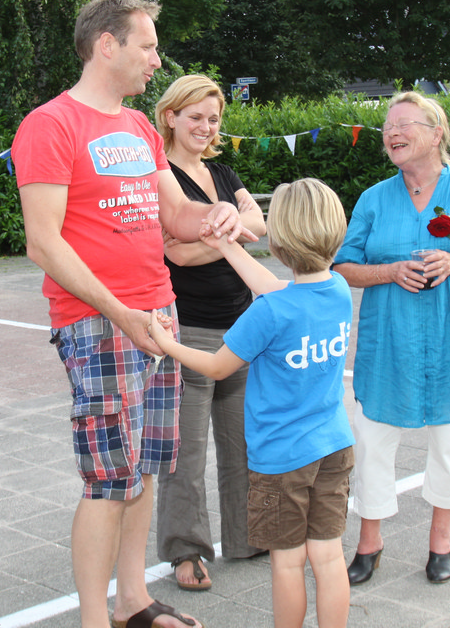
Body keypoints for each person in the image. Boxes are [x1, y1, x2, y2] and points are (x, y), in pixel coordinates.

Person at [11, 0, 253, 628]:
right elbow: (43, 241)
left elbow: (176, 214)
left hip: (160, 317)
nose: (156, 59)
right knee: (108, 479)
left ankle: (134, 602)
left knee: (145, 467)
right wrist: (121, 313)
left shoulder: (141, 127)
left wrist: (218, 215)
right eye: (147, 46)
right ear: (107, 45)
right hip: (98, 323)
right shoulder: (51, 124)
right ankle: (96, 618)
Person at [147, 178, 355, 628]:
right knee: (328, 556)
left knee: (288, 563)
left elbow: (216, 366)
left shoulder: (269, 313)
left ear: (278, 242)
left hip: (282, 460)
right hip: (334, 448)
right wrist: (226, 246)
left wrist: (166, 342)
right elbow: (277, 288)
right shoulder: (338, 289)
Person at [332, 91, 450, 585]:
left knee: (449, 447)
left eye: (404, 124)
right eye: (387, 127)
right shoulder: (373, 199)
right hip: (387, 345)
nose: (392, 132)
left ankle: (441, 543)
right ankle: (369, 543)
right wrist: (388, 271)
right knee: (372, 444)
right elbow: (342, 266)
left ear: (437, 134)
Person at [152, 75, 268, 591]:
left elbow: (258, 221)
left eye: (214, 118)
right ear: (171, 116)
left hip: (243, 327)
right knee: (186, 453)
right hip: (191, 330)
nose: (205, 126)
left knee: (243, 443)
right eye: (195, 116)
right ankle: (187, 550)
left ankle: (247, 537)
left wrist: (217, 239)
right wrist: (233, 235)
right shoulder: (163, 176)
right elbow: (173, 252)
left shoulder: (223, 171)